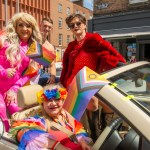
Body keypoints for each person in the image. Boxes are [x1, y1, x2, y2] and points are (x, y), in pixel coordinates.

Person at [60, 13, 126, 141]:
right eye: (72, 25)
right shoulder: (71, 46)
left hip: (92, 79)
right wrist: (62, 83)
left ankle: (106, 132)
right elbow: (66, 68)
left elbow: (110, 53)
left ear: (84, 25)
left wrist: (122, 65)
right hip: (75, 81)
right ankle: (95, 133)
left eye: (78, 23)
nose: (75, 26)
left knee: (110, 103)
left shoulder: (93, 39)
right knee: (92, 103)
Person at [10, 84, 92, 150]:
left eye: (57, 99)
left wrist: (82, 142)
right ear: (43, 103)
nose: (53, 103)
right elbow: (25, 134)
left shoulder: (65, 114)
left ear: (63, 101)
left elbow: (78, 130)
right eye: (48, 100)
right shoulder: (40, 120)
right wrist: (58, 146)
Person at [0, 12, 42, 131]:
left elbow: (31, 74)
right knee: (1, 111)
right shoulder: (3, 39)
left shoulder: (36, 48)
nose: (24, 29)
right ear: (15, 27)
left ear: (32, 28)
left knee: (20, 116)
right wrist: (3, 71)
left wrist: (14, 89)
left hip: (12, 89)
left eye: (28, 26)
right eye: (21, 25)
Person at [38, 17, 57, 86]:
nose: (47, 29)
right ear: (40, 25)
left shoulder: (50, 47)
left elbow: (52, 65)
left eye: (49, 27)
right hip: (27, 73)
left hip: (41, 74)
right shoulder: (31, 39)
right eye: (45, 26)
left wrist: (53, 76)